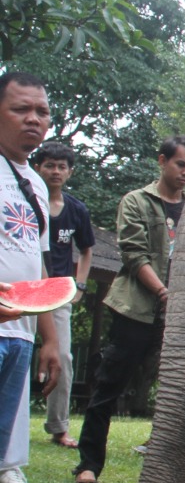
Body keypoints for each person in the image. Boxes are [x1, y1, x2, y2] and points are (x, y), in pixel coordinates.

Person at [73, 135, 185, 483]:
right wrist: (163, 292)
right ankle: (88, 466)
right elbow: (134, 254)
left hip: (182, 316)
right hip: (136, 310)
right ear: (162, 161)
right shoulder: (137, 201)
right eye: (180, 164)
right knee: (108, 387)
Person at [0, 73, 63, 483]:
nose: (33, 119)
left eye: (41, 111)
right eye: (20, 109)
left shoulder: (36, 184)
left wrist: (50, 340)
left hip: (20, 331)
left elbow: (39, 267)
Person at [31, 140, 94, 449]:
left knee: (64, 358)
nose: (55, 171)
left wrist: (79, 286)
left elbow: (86, 250)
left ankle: (59, 427)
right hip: (21, 288)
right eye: (49, 165)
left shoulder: (76, 209)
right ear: (37, 168)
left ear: (70, 172)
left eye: (61, 166)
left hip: (57, 294)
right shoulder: (26, 202)